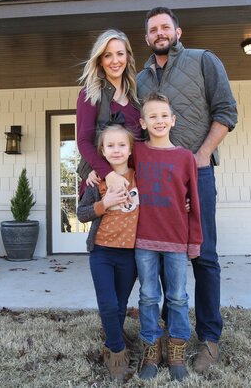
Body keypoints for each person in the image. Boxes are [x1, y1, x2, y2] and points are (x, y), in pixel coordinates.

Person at [136, 7, 238, 373]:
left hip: (197, 173)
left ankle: (209, 338)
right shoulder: (141, 79)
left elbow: (226, 112)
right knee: (164, 255)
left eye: (165, 27)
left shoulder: (203, 60)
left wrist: (202, 155)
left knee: (204, 255)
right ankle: (168, 336)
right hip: (156, 181)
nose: (159, 33)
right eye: (153, 30)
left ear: (178, 31)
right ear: (147, 38)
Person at [133, 93, 202, 381]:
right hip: (144, 239)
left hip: (175, 240)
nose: (159, 120)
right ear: (143, 123)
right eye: (152, 116)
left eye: (164, 115)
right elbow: (112, 160)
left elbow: (193, 202)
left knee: (177, 297)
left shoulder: (185, 157)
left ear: (173, 120)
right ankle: (152, 350)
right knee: (148, 296)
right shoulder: (136, 152)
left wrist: (194, 241)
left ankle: (176, 351)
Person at [76, 124, 139, 383]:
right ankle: (116, 353)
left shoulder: (140, 177)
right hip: (101, 252)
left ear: (130, 149)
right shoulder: (95, 180)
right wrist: (104, 204)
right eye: (110, 145)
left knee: (120, 305)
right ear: (101, 150)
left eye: (122, 145)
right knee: (108, 303)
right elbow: (81, 213)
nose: (116, 150)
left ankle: (111, 340)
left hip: (130, 254)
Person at [76, 29, 142, 197]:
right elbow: (84, 141)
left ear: (127, 57)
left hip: (133, 185)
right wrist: (108, 174)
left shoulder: (137, 97)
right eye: (107, 55)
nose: (115, 61)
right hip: (101, 183)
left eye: (120, 54)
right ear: (100, 61)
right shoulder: (90, 95)